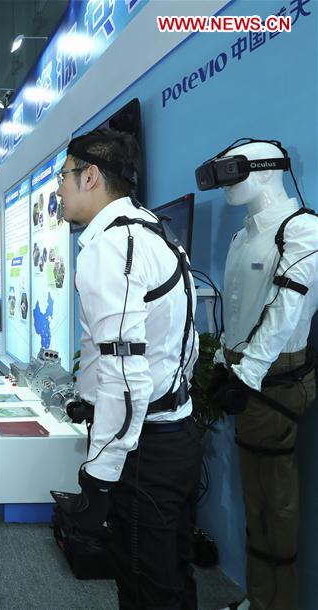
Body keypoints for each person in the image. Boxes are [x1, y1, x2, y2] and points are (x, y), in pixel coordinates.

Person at [55, 129, 202, 608]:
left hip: (146, 449)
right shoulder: (151, 229)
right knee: (171, 575)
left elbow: (124, 372)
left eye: (63, 176)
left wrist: (99, 476)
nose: (58, 189)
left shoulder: (111, 247)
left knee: (144, 584)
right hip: (173, 432)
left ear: (90, 176)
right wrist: (89, 398)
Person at [200, 139, 317, 610]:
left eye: (234, 171)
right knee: (256, 498)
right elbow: (240, 312)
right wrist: (223, 364)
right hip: (244, 377)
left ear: (268, 171)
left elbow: (288, 310)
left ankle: (276, 603)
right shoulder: (242, 236)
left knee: (276, 502)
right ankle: (259, 597)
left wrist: (246, 374)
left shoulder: (302, 230)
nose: (226, 183)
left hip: (274, 381)